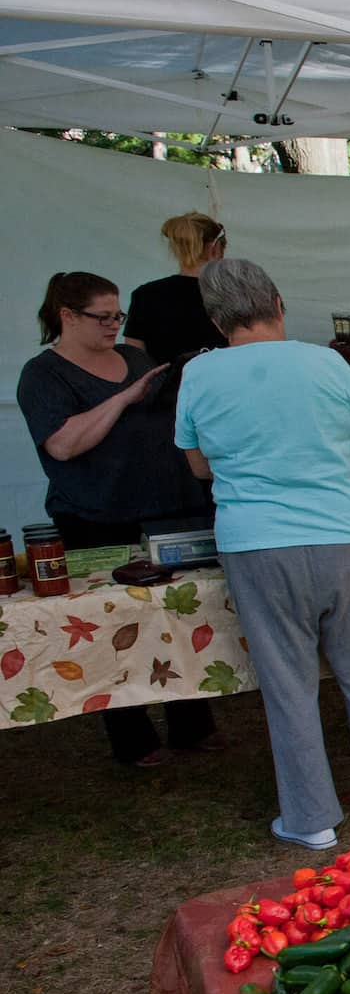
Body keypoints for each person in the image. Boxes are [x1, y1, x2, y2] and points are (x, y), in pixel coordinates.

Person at [175, 257, 350, 850]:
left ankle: (311, 820)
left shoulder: (198, 376)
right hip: (346, 531)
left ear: (216, 319)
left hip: (258, 542)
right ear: (279, 303)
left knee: (288, 683)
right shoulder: (323, 361)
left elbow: (199, 465)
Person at [15, 271, 219, 766]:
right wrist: (125, 398)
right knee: (111, 625)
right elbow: (63, 445)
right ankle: (132, 736)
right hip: (96, 517)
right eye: (102, 317)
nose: (114, 326)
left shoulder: (134, 359)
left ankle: (192, 723)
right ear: (66, 316)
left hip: (172, 506)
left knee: (180, 613)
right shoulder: (45, 374)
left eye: (117, 316)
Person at [124, 212, 229, 364]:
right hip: (223, 385)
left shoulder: (145, 295)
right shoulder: (236, 295)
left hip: (166, 385)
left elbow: (135, 358)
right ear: (214, 248)